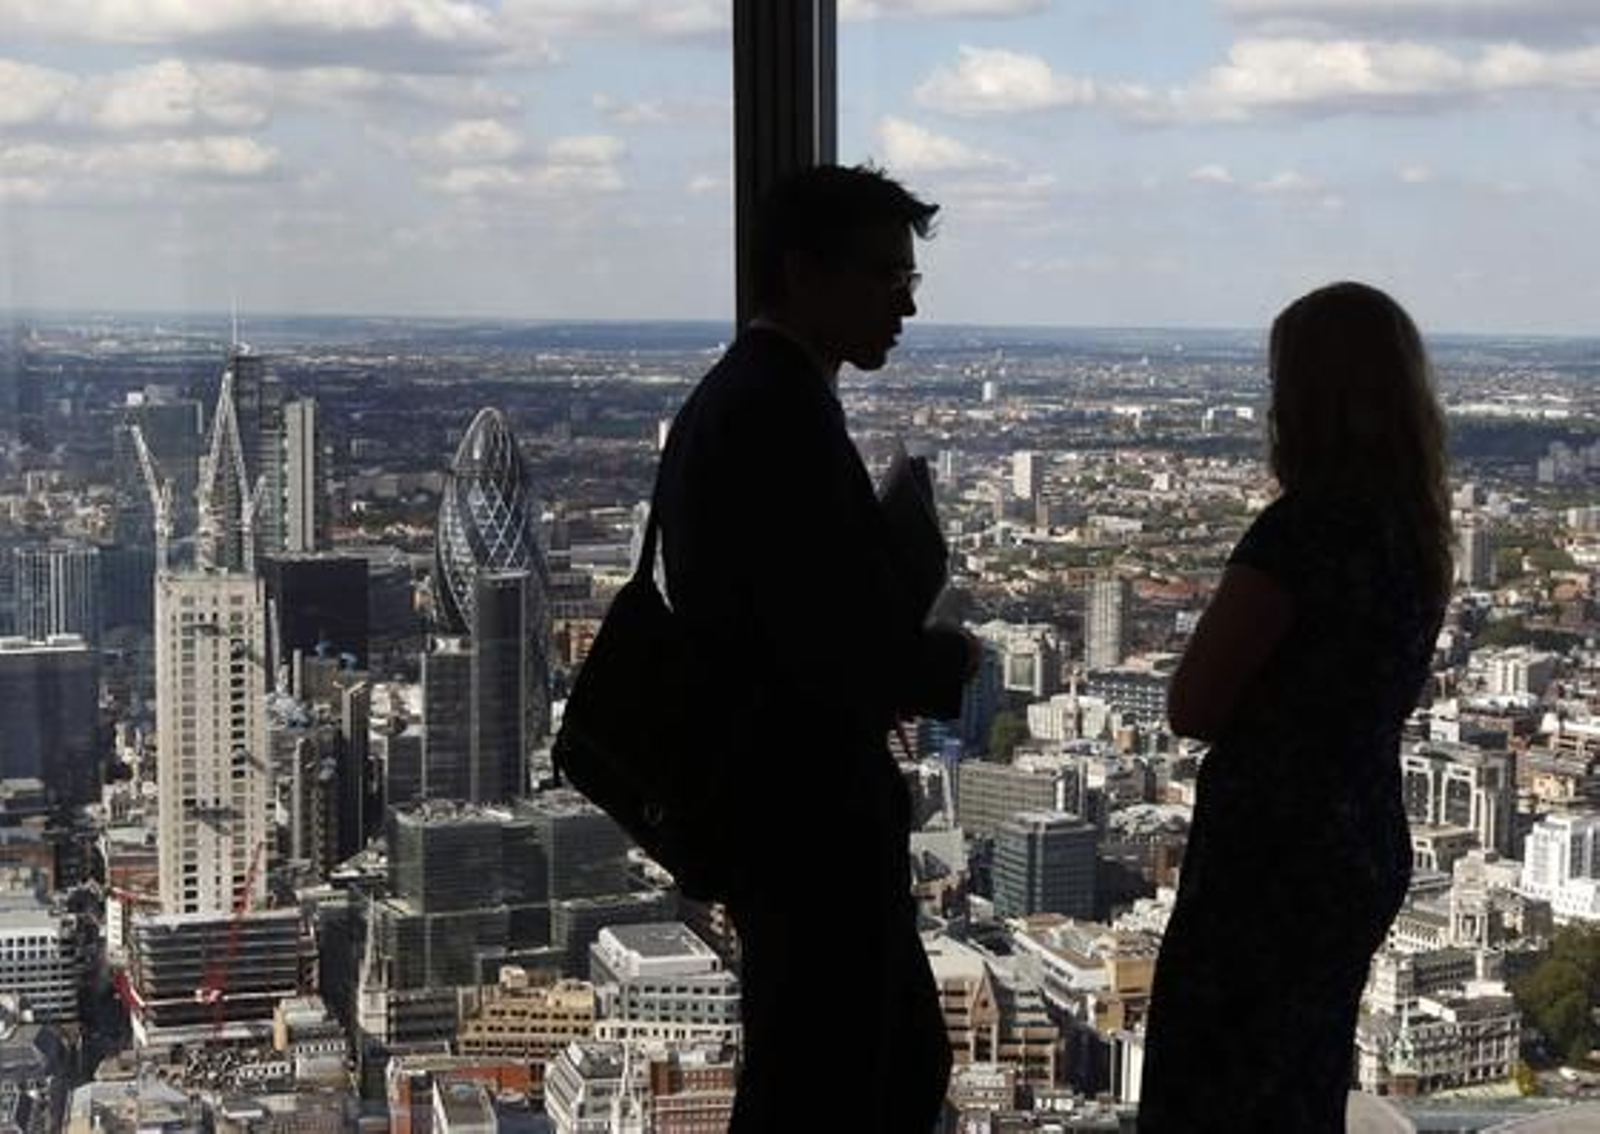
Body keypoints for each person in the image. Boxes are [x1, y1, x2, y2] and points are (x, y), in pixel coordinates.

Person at [654, 164, 981, 1132]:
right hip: (803, 811)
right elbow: (823, 644)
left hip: (779, 804)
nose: (905, 306)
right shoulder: (774, 411)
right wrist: (943, 662)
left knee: (857, 1067)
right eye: (885, 278)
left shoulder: (750, 395)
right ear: (803, 274)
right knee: (833, 1081)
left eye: (909, 280)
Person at [1137, 282, 1453, 1132]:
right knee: (1301, 1074)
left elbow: (1193, 705)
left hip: (1273, 843)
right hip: (1362, 834)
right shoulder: (1417, 532)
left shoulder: (1299, 532)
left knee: (1216, 1077)